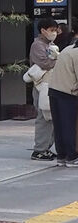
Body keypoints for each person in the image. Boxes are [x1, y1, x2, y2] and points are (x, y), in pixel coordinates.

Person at [27, 18, 60, 160]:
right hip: (41, 86)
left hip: (50, 85)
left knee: (50, 117)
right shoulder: (37, 45)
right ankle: (39, 150)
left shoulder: (50, 45)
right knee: (43, 117)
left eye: (55, 30)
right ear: (43, 30)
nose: (54, 33)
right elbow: (44, 63)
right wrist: (59, 60)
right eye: (52, 30)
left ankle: (45, 148)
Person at [48, 36, 78, 168]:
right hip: (68, 92)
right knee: (69, 126)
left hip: (54, 90)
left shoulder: (68, 49)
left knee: (59, 126)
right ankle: (72, 157)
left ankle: (61, 156)